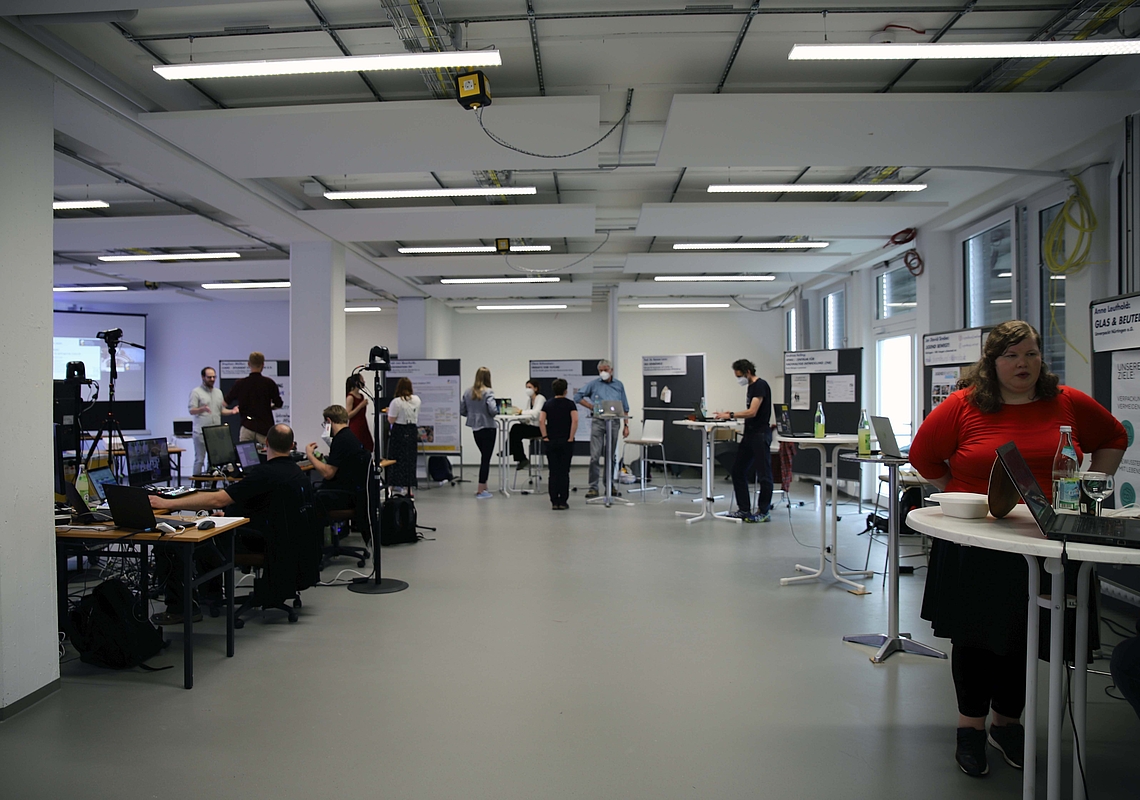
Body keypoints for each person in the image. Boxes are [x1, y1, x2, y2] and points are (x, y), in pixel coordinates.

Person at [909, 320, 1126, 778]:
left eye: (1030, 354)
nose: (1022, 364)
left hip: (1044, 537)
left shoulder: (1066, 401)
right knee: (974, 638)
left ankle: (1007, 724)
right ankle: (969, 728)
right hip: (979, 541)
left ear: (1041, 358)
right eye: (1010, 355)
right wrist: (961, 496)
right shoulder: (964, 404)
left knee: (1023, 637)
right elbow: (923, 456)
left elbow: (1112, 438)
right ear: (991, 362)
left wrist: (1093, 484)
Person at [149, 423, 305, 624]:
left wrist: (166, 503)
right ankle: (209, 596)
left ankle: (183, 608)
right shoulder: (295, 471)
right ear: (292, 445)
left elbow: (217, 500)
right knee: (210, 532)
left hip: (258, 542)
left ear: (266, 443)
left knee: (175, 543)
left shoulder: (264, 473)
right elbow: (268, 509)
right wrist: (229, 515)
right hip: (279, 540)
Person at [713, 359, 773, 523]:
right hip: (749, 434)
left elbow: (752, 412)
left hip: (760, 435)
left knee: (764, 474)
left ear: (748, 372)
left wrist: (730, 415)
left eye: (739, 376)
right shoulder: (751, 387)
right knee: (738, 471)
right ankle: (744, 509)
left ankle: (764, 511)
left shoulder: (760, 385)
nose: (739, 379)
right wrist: (730, 415)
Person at [573, 360, 630, 499]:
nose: (603, 373)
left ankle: (609, 485)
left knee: (611, 456)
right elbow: (577, 397)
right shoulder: (593, 384)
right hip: (598, 422)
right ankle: (593, 487)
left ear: (611, 370)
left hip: (614, 422)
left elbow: (625, 406)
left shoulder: (619, 385)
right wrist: (591, 406)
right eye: (601, 370)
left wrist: (626, 425)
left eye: (605, 370)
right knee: (595, 456)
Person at [306, 404, 366, 513]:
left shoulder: (340, 440)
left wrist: (310, 455)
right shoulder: (350, 436)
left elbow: (328, 473)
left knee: (306, 498)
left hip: (341, 495)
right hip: (353, 492)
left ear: (329, 421)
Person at [188, 366, 238, 475]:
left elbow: (221, 411)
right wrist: (202, 409)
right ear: (203, 377)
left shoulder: (218, 392)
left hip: (215, 433)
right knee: (200, 459)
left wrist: (232, 411)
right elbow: (191, 410)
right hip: (200, 432)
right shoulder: (196, 392)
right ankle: (196, 481)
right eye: (209, 377)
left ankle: (210, 482)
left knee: (213, 461)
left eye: (214, 377)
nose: (212, 379)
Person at [224, 352, 283, 444]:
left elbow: (225, 402)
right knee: (267, 451)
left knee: (245, 452)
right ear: (263, 365)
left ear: (249, 364)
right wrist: (269, 407)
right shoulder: (269, 383)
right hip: (264, 427)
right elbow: (279, 404)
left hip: (247, 426)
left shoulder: (240, 383)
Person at [540, 378, 578, 510]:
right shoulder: (570, 404)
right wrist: (571, 437)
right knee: (564, 471)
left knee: (553, 471)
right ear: (566, 390)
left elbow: (541, 421)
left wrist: (545, 436)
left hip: (551, 440)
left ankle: (554, 501)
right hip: (565, 441)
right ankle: (563, 501)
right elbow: (575, 420)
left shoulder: (547, 404)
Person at [461, 366, 498, 499]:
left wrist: (473, 414)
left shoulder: (467, 392)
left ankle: (484, 487)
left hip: (475, 428)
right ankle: (481, 489)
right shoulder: (488, 392)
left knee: (484, 456)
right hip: (488, 427)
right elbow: (493, 410)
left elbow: (462, 410)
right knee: (486, 459)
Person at [386, 377, 421, 494]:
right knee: (410, 459)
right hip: (412, 430)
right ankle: (409, 488)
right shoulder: (417, 400)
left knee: (395, 458)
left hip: (399, 431)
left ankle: (392, 485)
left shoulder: (396, 402)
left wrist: (389, 412)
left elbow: (391, 420)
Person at [511, 379, 546, 470]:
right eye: (526, 387)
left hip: (540, 428)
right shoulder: (529, 401)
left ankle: (512, 450)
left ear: (536, 388)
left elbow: (536, 413)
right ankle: (520, 457)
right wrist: (518, 415)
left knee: (515, 429)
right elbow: (527, 418)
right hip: (532, 427)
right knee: (515, 429)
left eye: (530, 387)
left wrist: (521, 412)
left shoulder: (540, 398)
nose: (527, 389)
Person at [345, 373, 374, 454]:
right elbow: (348, 415)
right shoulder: (350, 397)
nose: (364, 382)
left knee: (368, 445)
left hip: (363, 424)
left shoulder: (361, 396)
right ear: (357, 382)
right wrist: (360, 405)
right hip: (355, 426)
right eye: (362, 380)